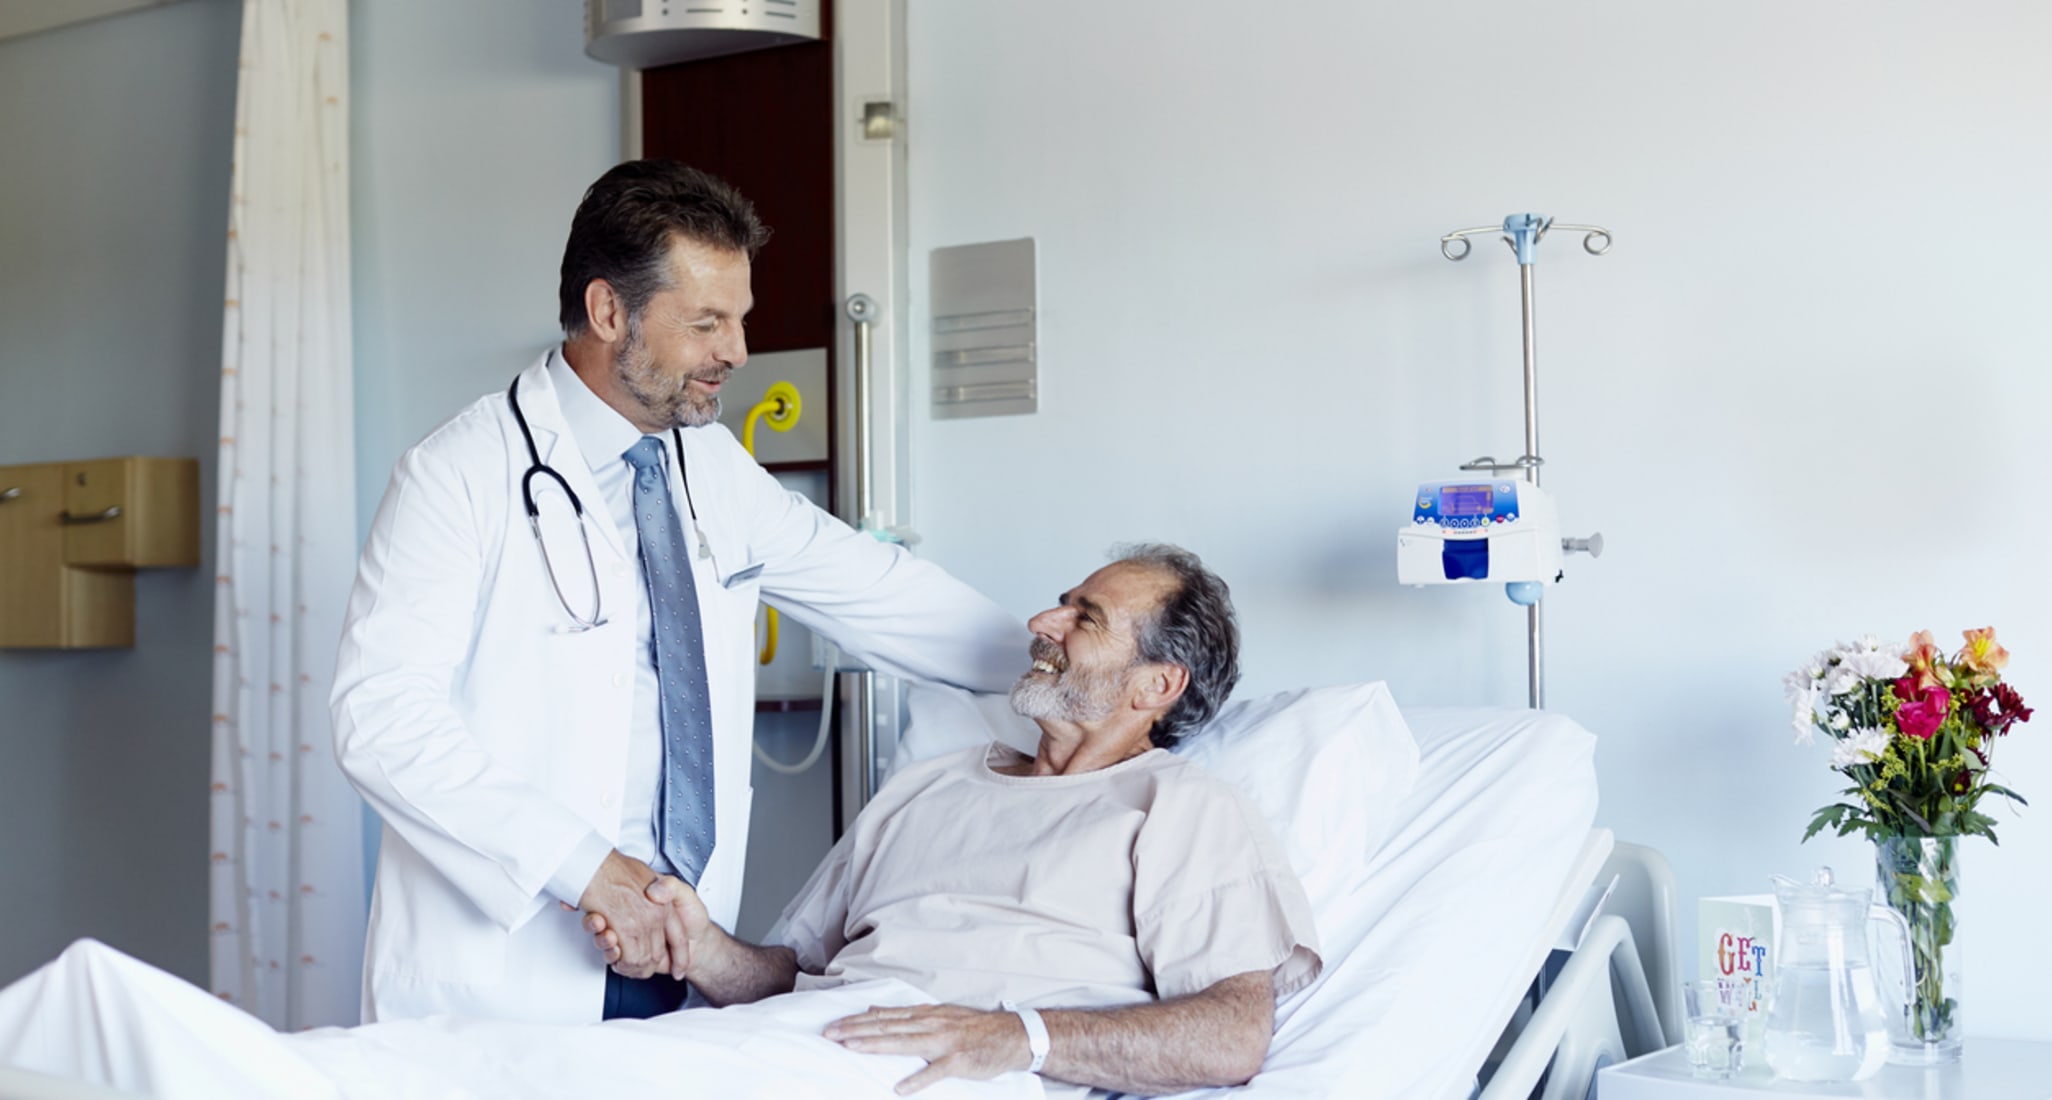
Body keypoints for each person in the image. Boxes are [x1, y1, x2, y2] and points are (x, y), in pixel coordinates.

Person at [330, 160, 1026, 1026]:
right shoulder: (458, 476)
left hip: (680, 957)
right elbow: (379, 717)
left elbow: (875, 591)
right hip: (510, 971)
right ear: (607, 311)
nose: (735, 350)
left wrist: (1059, 667)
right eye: (706, 323)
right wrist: (588, 867)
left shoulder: (709, 464)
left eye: (739, 319)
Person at [588, 545, 1322, 1096]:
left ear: (1157, 685)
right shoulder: (929, 787)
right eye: (1060, 603)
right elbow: (791, 976)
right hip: (804, 1042)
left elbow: (1232, 1033)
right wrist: (702, 946)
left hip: (959, 1077)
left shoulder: (1182, 808)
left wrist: (1016, 1036)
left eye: (1084, 619)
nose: (1042, 624)